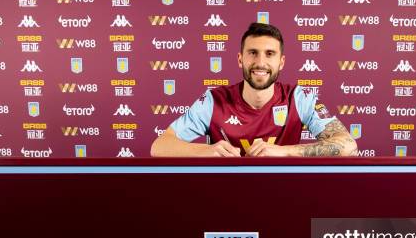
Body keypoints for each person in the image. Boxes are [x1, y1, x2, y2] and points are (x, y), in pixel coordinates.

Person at [150, 23, 357, 157]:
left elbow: (348, 145)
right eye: (253, 53)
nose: (260, 62)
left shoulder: (299, 98)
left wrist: (283, 152)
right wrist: (206, 150)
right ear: (240, 59)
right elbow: (159, 146)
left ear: (281, 62)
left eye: (269, 54)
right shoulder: (214, 100)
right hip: (224, 198)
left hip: (282, 196)